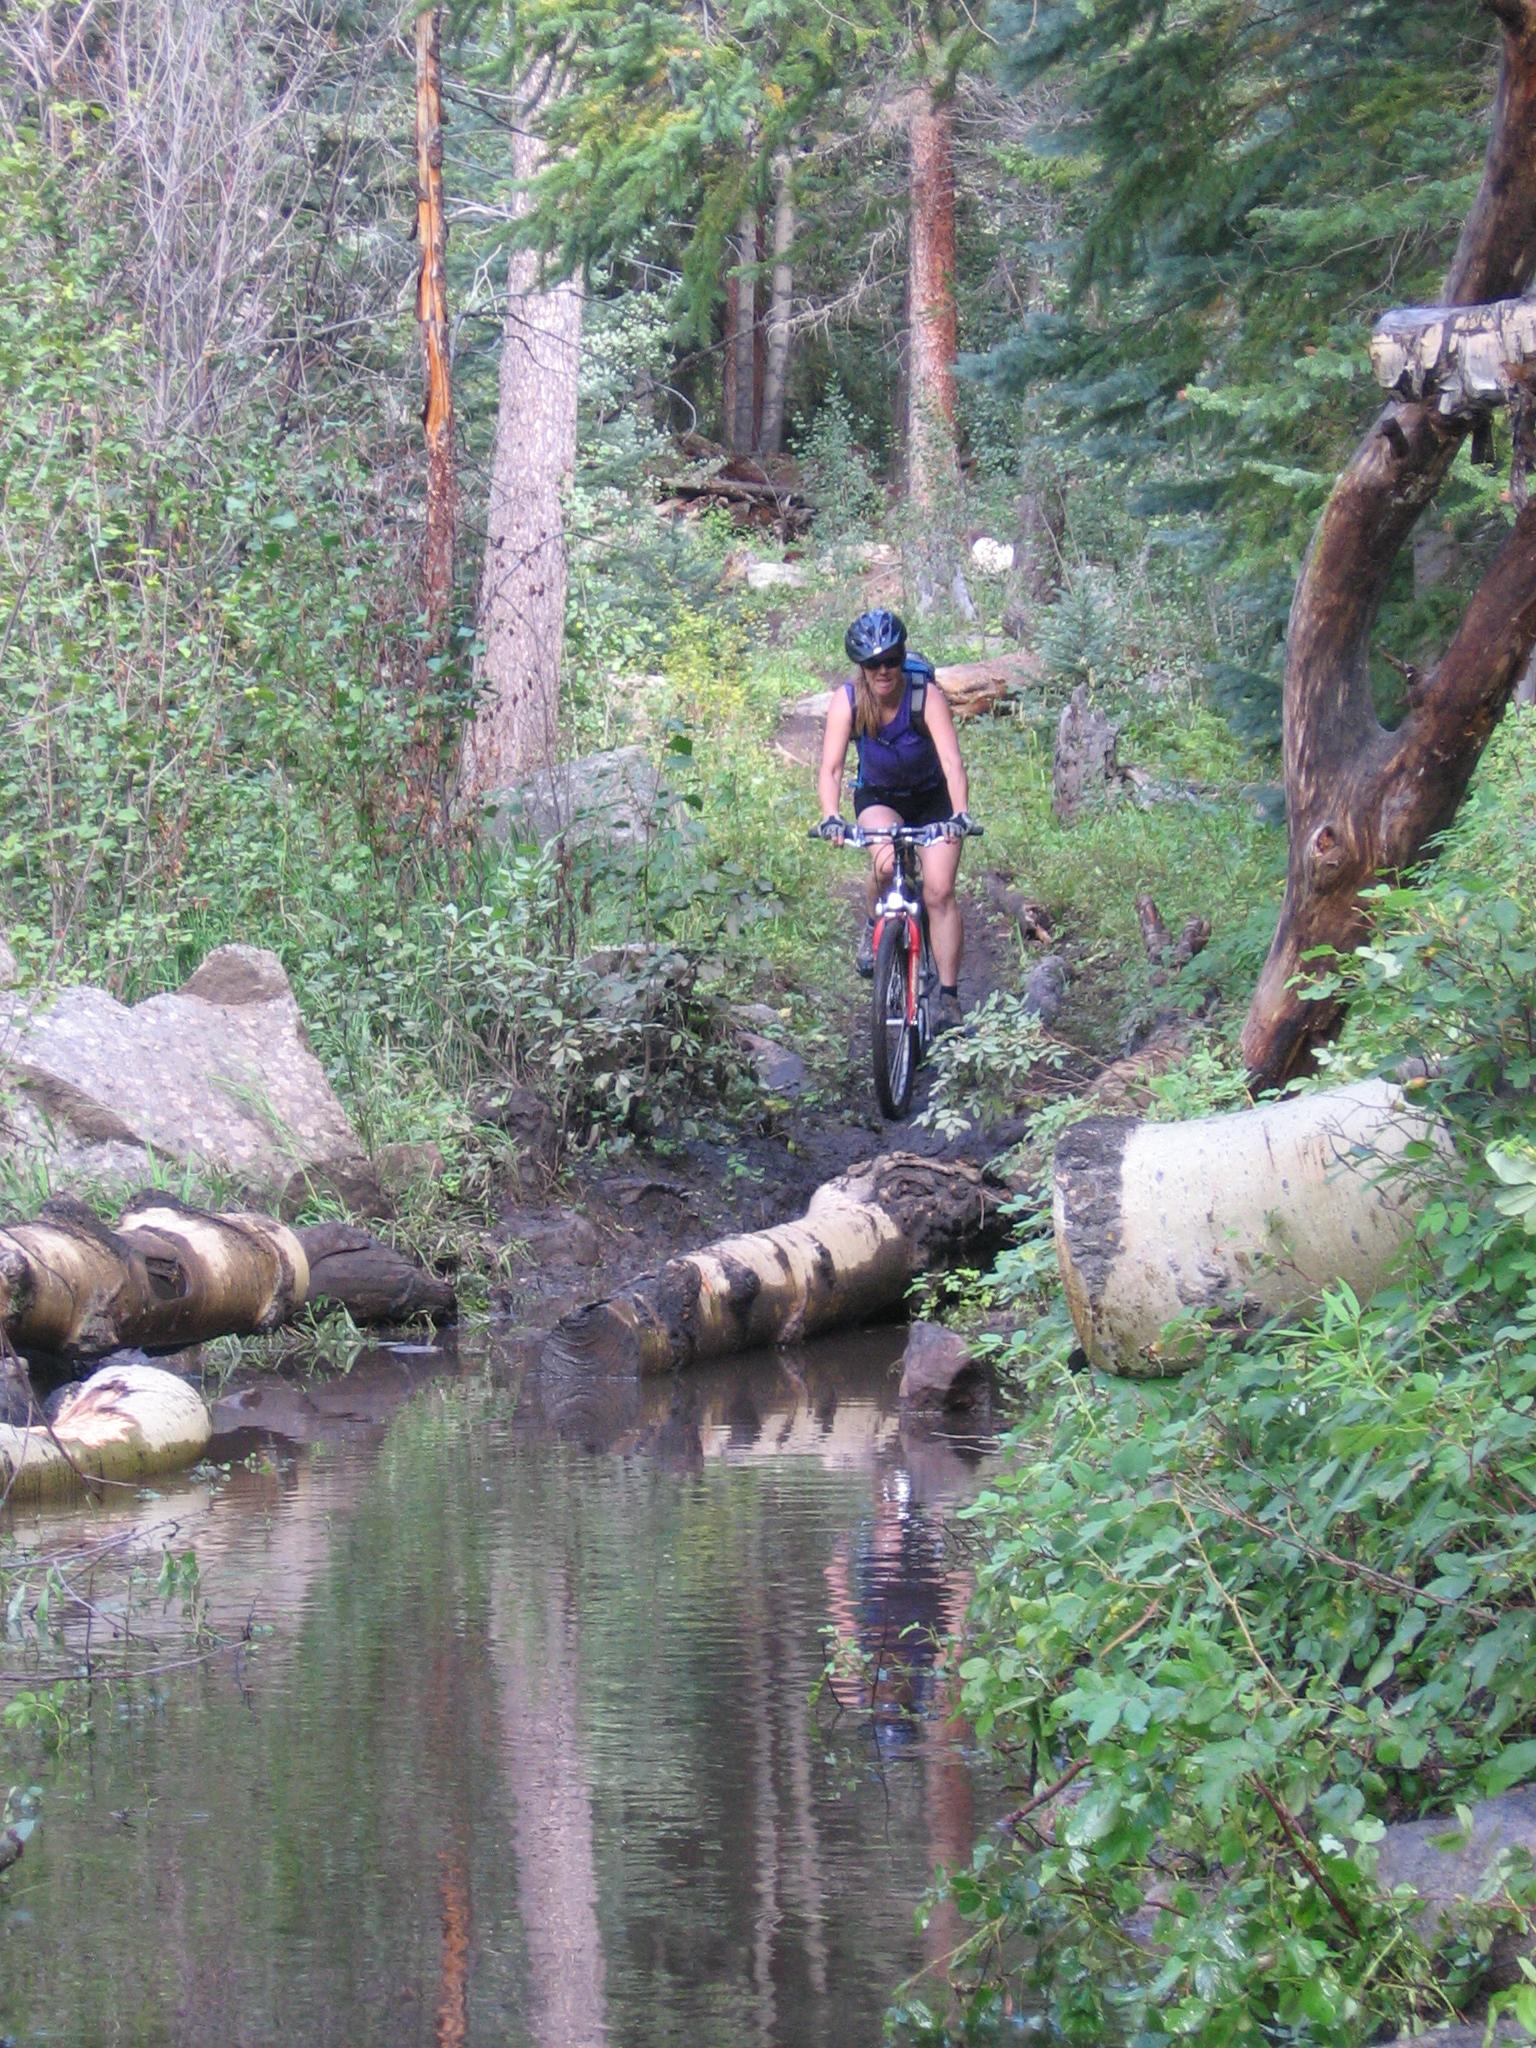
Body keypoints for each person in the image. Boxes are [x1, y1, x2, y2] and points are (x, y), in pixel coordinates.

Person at [815, 608, 974, 1033]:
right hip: (880, 795)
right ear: (861, 667)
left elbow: (952, 762)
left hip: (932, 796)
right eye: (872, 663)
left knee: (939, 892)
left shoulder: (926, 697)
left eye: (890, 660)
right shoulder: (848, 702)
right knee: (886, 865)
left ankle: (949, 997)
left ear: (902, 658)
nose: (882, 670)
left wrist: (959, 815)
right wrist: (830, 816)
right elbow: (831, 768)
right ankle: (875, 925)